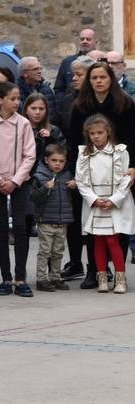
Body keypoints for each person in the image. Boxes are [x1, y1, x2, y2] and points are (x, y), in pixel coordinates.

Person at [65, 61, 135, 287]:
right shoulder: (80, 105)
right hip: (91, 169)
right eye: (94, 78)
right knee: (92, 223)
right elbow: (74, 140)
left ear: (110, 79)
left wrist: (132, 164)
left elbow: (133, 136)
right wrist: (77, 171)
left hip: (119, 168)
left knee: (119, 223)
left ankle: (119, 270)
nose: (98, 81)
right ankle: (95, 270)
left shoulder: (125, 103)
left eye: (102, 77)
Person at [0, 81, 38, 297]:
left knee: (20, 228)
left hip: (18, 182)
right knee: (1, 228)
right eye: (12, 98)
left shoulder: (23, 124)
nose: (17, 102)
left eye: (18, 98)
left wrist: (16, 180)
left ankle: (20, 277)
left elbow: (30, 155)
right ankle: (5, 278)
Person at [76, 114, 134, 293]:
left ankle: (120, 278)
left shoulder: (120, 151)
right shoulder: (84, 153)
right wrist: (94, 199)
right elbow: (81, 180)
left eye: (100, 132)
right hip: (96, 203)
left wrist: (114, 199)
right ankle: (101, 277)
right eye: (92, 133)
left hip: (116, 203)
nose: (96, 136)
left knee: (113, 239)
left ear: (108, 132)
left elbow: (127, 178)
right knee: (97, 240)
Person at [30, 144, 75, 291]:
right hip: (46, 221)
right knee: (45, 252)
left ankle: (55, 278)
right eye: (54, 160)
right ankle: (41, 279)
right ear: (46, 160)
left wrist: (75, 185)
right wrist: (45, 188)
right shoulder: (40, 176)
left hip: (62, 222)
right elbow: (34, 198)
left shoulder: (67, 176)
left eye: (61, 161)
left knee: (58, 252)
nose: (58, 164)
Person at [55, 27, 100, 104]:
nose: (84, 41)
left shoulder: (101, 60)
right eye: (82, 39)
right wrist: (63, 105)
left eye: (88, 39)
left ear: (95, 42)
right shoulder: (67, 62)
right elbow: (59, 89)